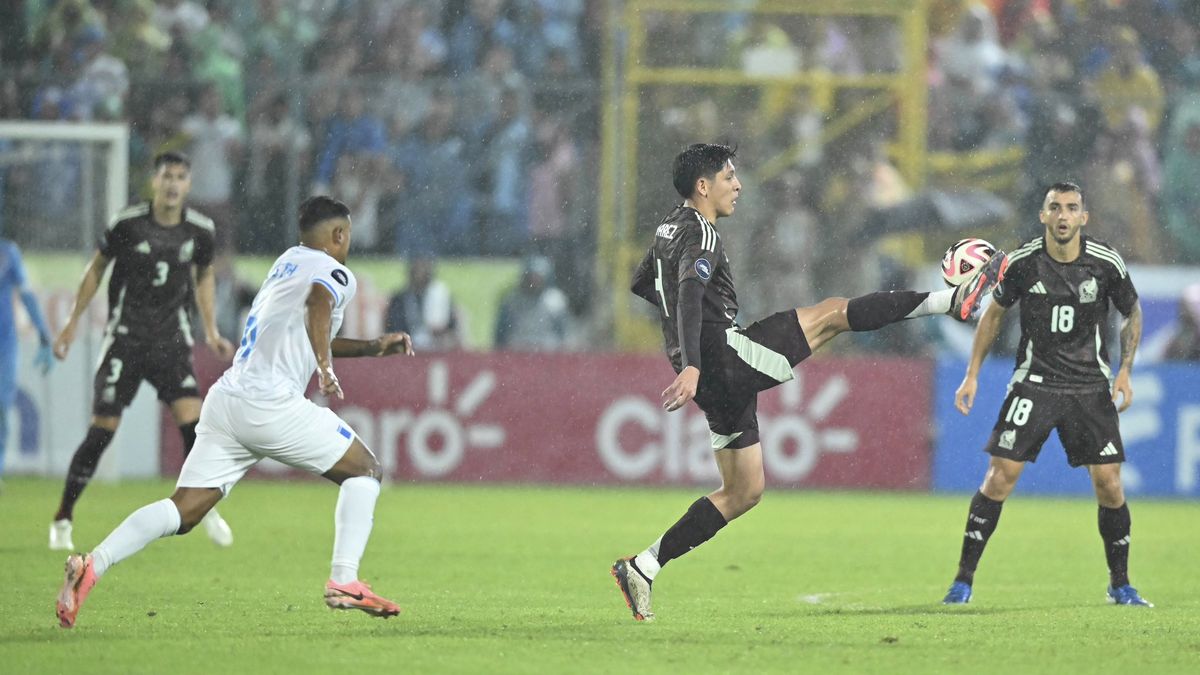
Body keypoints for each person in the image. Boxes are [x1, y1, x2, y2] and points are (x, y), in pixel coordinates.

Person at [610, 143, 1007, 621]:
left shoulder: (668, 228)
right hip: (722, 358)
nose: (737, 185)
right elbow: (691, 293)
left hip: (709, 374)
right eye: (729, 177)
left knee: (743, 491)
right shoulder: (702, 232)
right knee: (835, 314)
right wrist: (696, 360)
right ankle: (952, 300)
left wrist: (682, 348)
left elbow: (644, 282)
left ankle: (644, 566)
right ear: (703, 186)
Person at [55, 196, 415, 629]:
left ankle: (92, 565)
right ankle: (344, 579)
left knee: (183, 510)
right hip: (271, 404)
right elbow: (317, 305)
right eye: (348, 236)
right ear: (339, 235)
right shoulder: (335, 273)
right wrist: (324, 368)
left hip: (228, 400)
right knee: (365, 471)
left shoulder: (286, 264)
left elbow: (305, 329)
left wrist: (372, 346)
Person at [941, 182, 1151, 607]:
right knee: (1000, 476)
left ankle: (1120, 584)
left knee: (1109, 484)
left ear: (1083, 217)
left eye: (1071, 208)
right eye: (1055, 207)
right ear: (1043, 216)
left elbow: (1132, 311)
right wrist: (972, 374)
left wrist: (1126, 370)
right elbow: (994, 313)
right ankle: (962, 582)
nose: (1063, 215)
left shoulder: (1105, 262)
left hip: (1090, 386)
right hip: (1034, 383)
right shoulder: (1023, 262)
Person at [49, 151, 236, 551]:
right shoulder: (128, 224)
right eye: (166, 176)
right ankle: (63, 517)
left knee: (195, 427)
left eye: (180, 177)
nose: (172, 184)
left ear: (188, 184)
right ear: (155, 181)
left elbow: (204, 276)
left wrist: (211, 330)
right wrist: (71, 322)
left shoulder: (200, 231)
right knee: (102, 431)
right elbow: (96, 269)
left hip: (171, 341)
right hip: (126, 339)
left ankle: (203, 506)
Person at [0, 238, 54, 487]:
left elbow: (26, 293)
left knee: (2, 408)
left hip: (5, 345)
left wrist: (42, 331)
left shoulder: (8, 253)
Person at [384, 255, 463, 352]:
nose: (419, 273)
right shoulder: (399, 299)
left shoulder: (441, 296)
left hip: (436, 349)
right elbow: (392, 329)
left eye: (423, 268)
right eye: (416, 269)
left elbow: (452, 329)